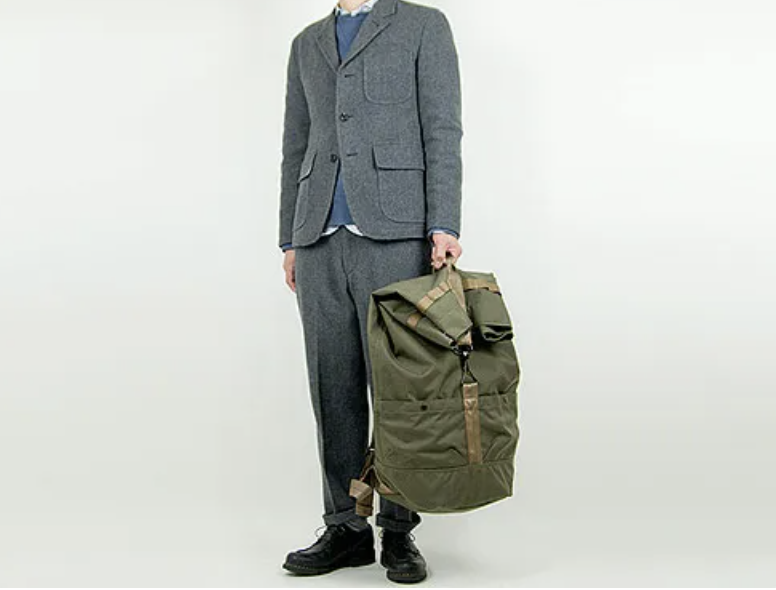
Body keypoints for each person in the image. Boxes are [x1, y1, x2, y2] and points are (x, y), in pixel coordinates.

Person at [277, 0, 463, 582]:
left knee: (401, 390)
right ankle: (346, 526)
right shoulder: (306, 42)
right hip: (317, 238)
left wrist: (444, 223)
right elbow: (295, 144)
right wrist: (290, 238)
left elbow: (442, 127)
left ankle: (398, 530)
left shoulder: (423, 26)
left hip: (397, 232)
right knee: (331, 385)